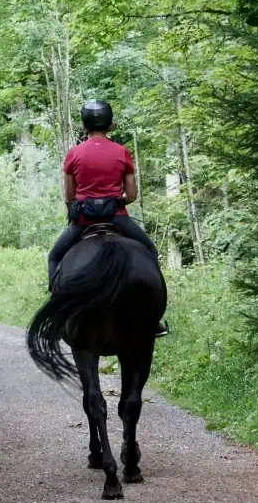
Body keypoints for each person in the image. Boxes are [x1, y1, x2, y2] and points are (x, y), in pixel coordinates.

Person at [48, 98, 168, 336]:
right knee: (150, 252)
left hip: (83, 221)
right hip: (117, 217)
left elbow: (70, 197)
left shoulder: (74, 154)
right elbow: (132, 194)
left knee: (54, 256)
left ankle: (58, 311)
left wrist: (82, 206)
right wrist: (116, 201)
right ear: (110, 123)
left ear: (85, 125)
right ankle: (155, 318)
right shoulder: (121, 152)